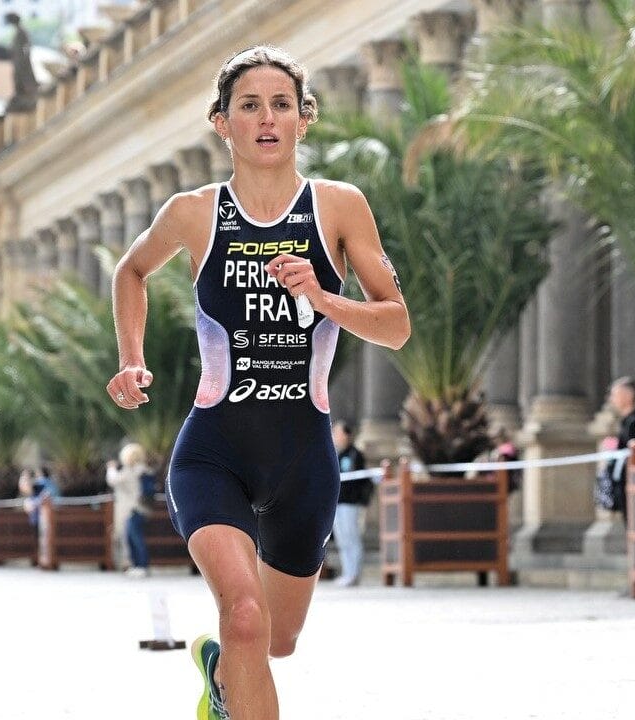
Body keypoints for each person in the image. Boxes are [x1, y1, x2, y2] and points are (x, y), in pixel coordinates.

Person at [105, 45, 410, 720]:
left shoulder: (338, 208)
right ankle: (229, 659)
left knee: (278, 639)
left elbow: (395, 325)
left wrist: (325, 298)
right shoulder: (194, 212)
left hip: (304, 457)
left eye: (281, 104)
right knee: (243, 614)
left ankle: (220, 670)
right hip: (215, 450)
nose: (267, 118)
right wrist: (130, 357)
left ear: (305, 119)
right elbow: (131, 271)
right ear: (222, 122)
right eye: (249, 106)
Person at [596, 377, 635, 515]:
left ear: (628, 395)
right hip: (628, 481)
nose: (612, 399)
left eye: (615, 394)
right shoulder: (630, 420)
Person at [330, 421, 369, 587]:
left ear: (346, 435)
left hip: (350, 503)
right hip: (337, 503)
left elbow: (359, 478)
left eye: (337, 433)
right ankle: (347, 572)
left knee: (351, 537)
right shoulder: (337, 454)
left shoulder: (355, 454)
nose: (334, 436)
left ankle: (354, 573)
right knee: (342, 538)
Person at [106, 444, 153, 578]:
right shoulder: (144, 470)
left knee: (134, 538)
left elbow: (113, 480)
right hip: (142, 509)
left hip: (133, 510)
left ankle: (141, 566)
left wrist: (111, 469)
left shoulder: (131, 471)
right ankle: (139, 566)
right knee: (135, 537)